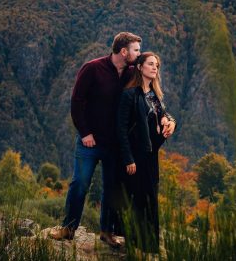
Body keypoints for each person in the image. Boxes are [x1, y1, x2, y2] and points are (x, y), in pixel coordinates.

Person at [49, 32, 142, 248]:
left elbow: (150, 96)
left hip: (115, 145)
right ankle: (68, 228)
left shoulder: (131, 73)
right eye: (136, 50)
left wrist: (167, 118)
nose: (138, 55)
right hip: (89, 143)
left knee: (110, 188)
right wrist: (85, 133)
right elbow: (76, 101)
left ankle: (107, 233)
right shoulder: (92, 68)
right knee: (80, 183)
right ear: (123, 51)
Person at [116, 52, 177, 253]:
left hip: (151, 155)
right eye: (151, 64)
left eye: (157, 65)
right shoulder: (129, 95)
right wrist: (128, 158)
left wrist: (170, 121)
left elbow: (163, 113)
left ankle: (149, 248)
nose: (155, 68)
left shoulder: (154, 95)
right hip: (135, 156)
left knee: (150, 199)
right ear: (140, 67)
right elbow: (121, 129)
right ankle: (133, 246)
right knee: (136, 199)